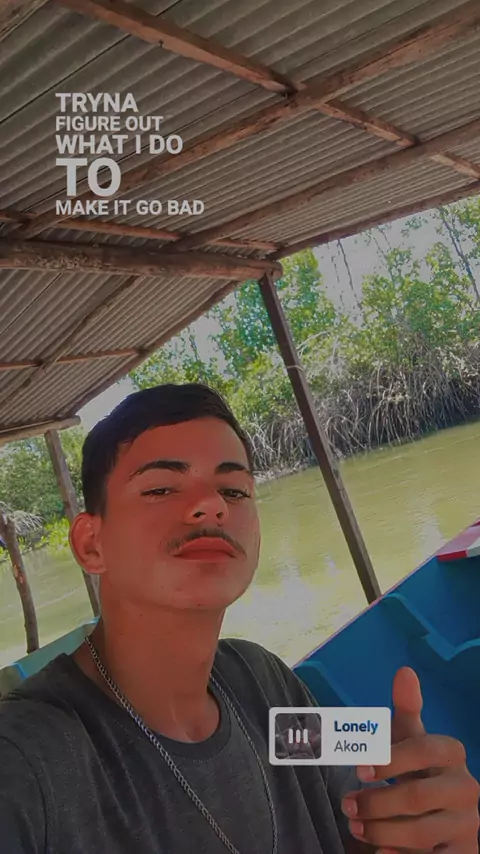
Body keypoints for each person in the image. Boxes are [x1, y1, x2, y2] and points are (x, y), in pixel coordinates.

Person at [0, 383, 478, 854]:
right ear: (91, 545)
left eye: (233, 489)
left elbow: (356, 768)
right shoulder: (28, 760)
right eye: (161, 488)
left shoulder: (263, 683)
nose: (212, 504)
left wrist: (431, 813)